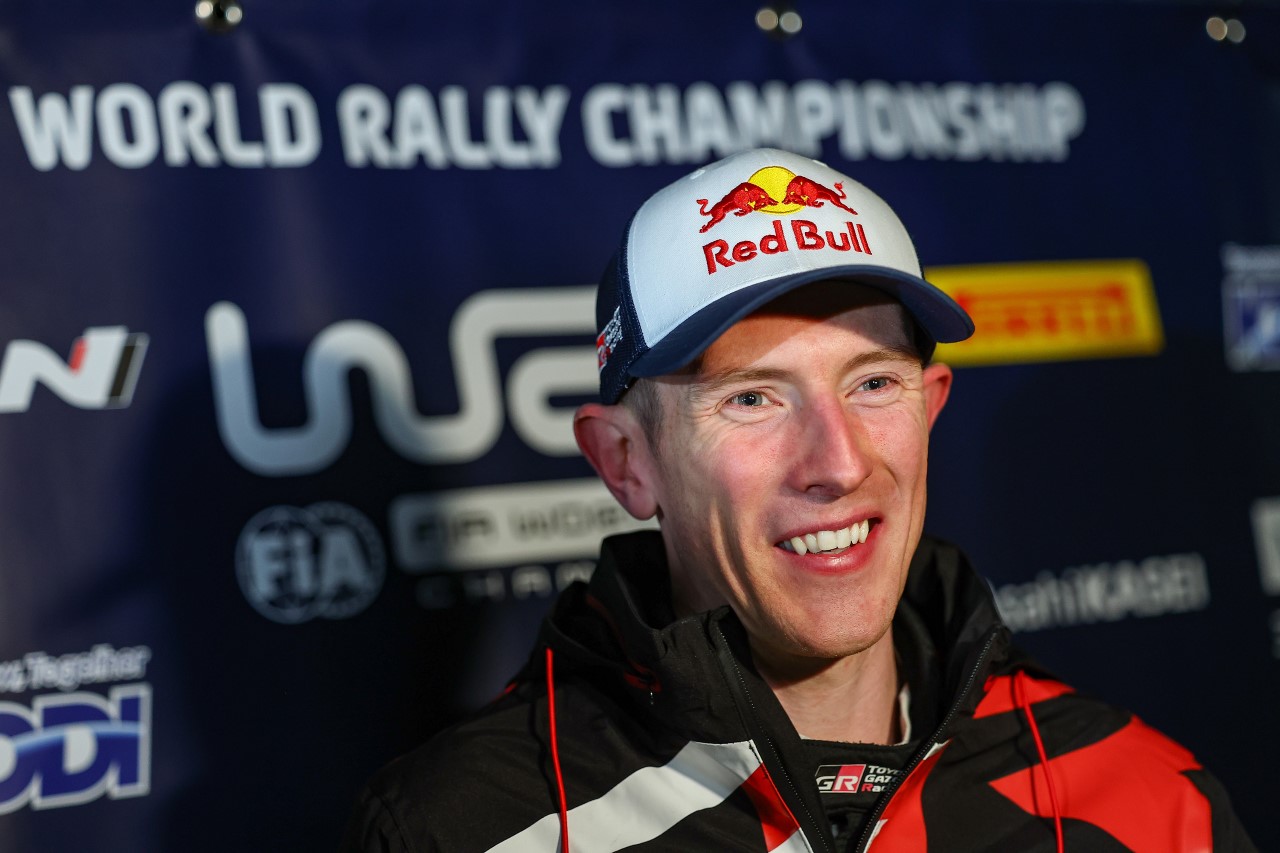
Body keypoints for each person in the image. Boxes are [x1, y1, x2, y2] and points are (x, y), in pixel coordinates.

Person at [342, 149, 1256, 852]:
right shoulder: (466, 829)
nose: (838, 463)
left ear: (931, 409)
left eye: (873, 383)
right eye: (752, 398)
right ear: (627, 462)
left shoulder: (1145, 798)